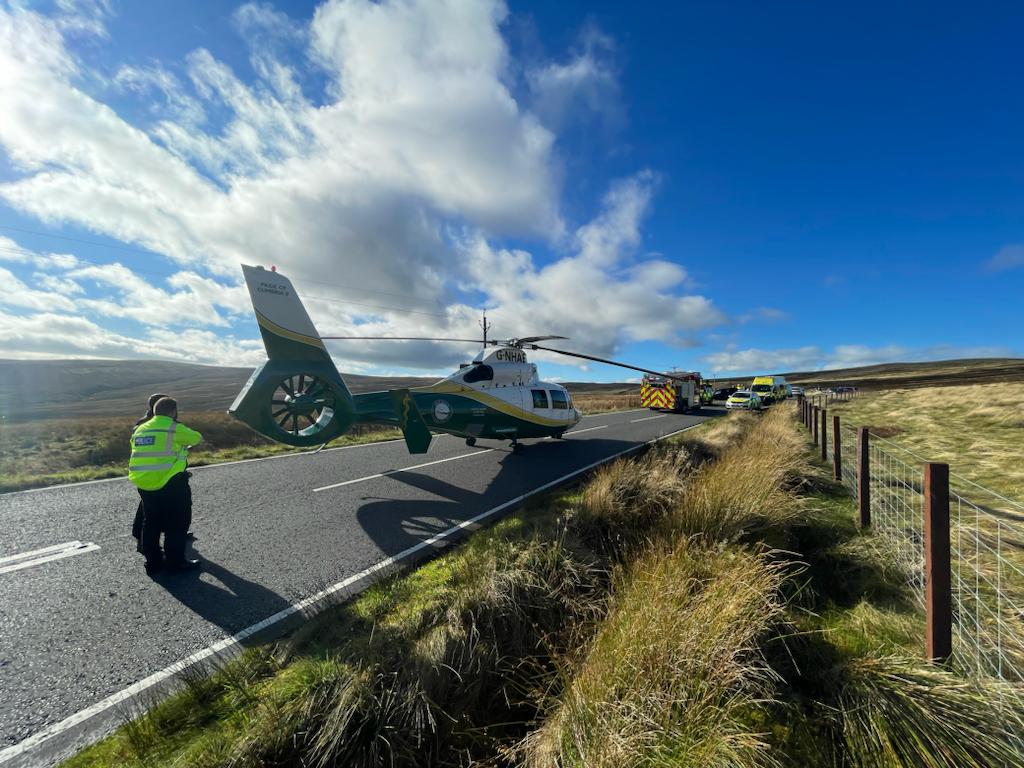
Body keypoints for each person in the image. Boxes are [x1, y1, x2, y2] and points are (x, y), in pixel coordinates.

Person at [129, 397, 202, 576]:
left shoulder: (140, 428)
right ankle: (175, 563)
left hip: (144, 483)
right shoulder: (174, 428)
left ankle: (153, 563)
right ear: (173, 411)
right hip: (171, 483)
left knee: (151, 523)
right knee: (177, 523)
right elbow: (197, 438)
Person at [131, 393, 169, 547]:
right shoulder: (157, 423)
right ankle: (151, 541)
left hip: (145, 470)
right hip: (157, 470)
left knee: (147, 504)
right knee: (157, 507)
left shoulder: (142, 423)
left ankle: (139, 532)